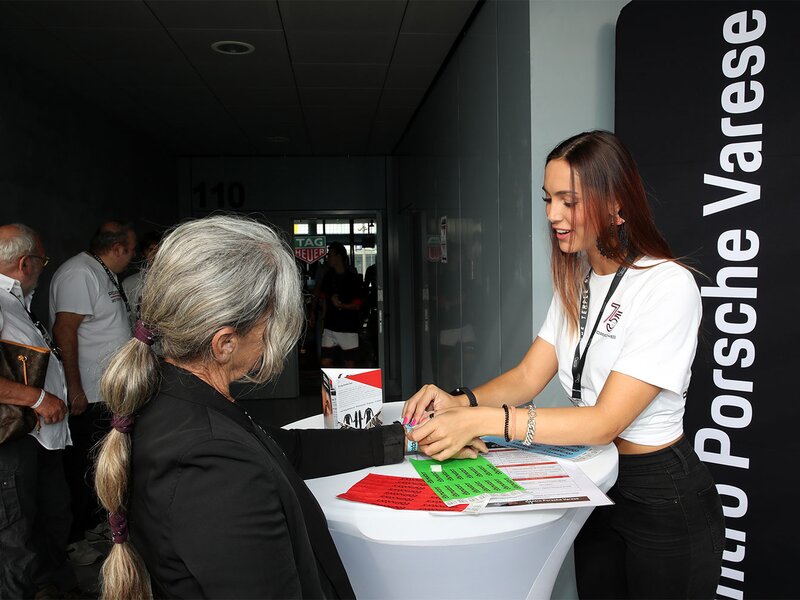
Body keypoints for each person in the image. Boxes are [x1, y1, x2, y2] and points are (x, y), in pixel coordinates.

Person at [92, 215, 486, 600]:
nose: (275, 335)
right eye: (271, 320)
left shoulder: (179, 399)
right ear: (225, 342)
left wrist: (408, 440)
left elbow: (289, 450)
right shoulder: (213, 468)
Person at [403, 131, 725, 599]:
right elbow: (529, 375)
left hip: (662, 494)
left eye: (567, 200)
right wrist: (458, 401)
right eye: (548, 198)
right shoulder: (578, 281)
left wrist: (483, 419)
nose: (552, 214)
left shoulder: (667, 286)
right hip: (597, 479)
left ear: (616, 205)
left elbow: (604, 421)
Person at [49, 220, 136, 564]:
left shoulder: (103, 273)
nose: (132, 258)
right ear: (117, 249)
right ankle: (75, 538)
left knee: (105, 464)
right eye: (130, 250)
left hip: (109, 392)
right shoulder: (79, 274)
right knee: (85, 466)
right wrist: (75, 388)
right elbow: (64, 330)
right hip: (90, 392)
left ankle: (98, 523)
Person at [0, 224, 76, 597]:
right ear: (25, 262)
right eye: (42, 262)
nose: (43, 269)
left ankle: (53, 589)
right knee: (16, 536)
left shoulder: (16, 302)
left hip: (40, 438)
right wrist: (37, 398)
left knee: (51, 518)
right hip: (11, 440)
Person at [318, 242, 363, 368]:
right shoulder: (328, 277)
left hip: (348, 327)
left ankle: (347, 387)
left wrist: (340, 305)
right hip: (330, 326)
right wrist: (323, 320)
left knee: (350, 363)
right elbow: (324, 300)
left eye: (330, 255)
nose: (328, 258)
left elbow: (357, 305)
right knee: (325, 362)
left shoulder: (352, 279)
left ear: (338, 257)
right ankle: (330, 387)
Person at [121, 230, 162, 319]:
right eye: (151, 250)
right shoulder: (128, 283)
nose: (156, 254)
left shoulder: (175, 281)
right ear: (143, 253)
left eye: (159, 250)